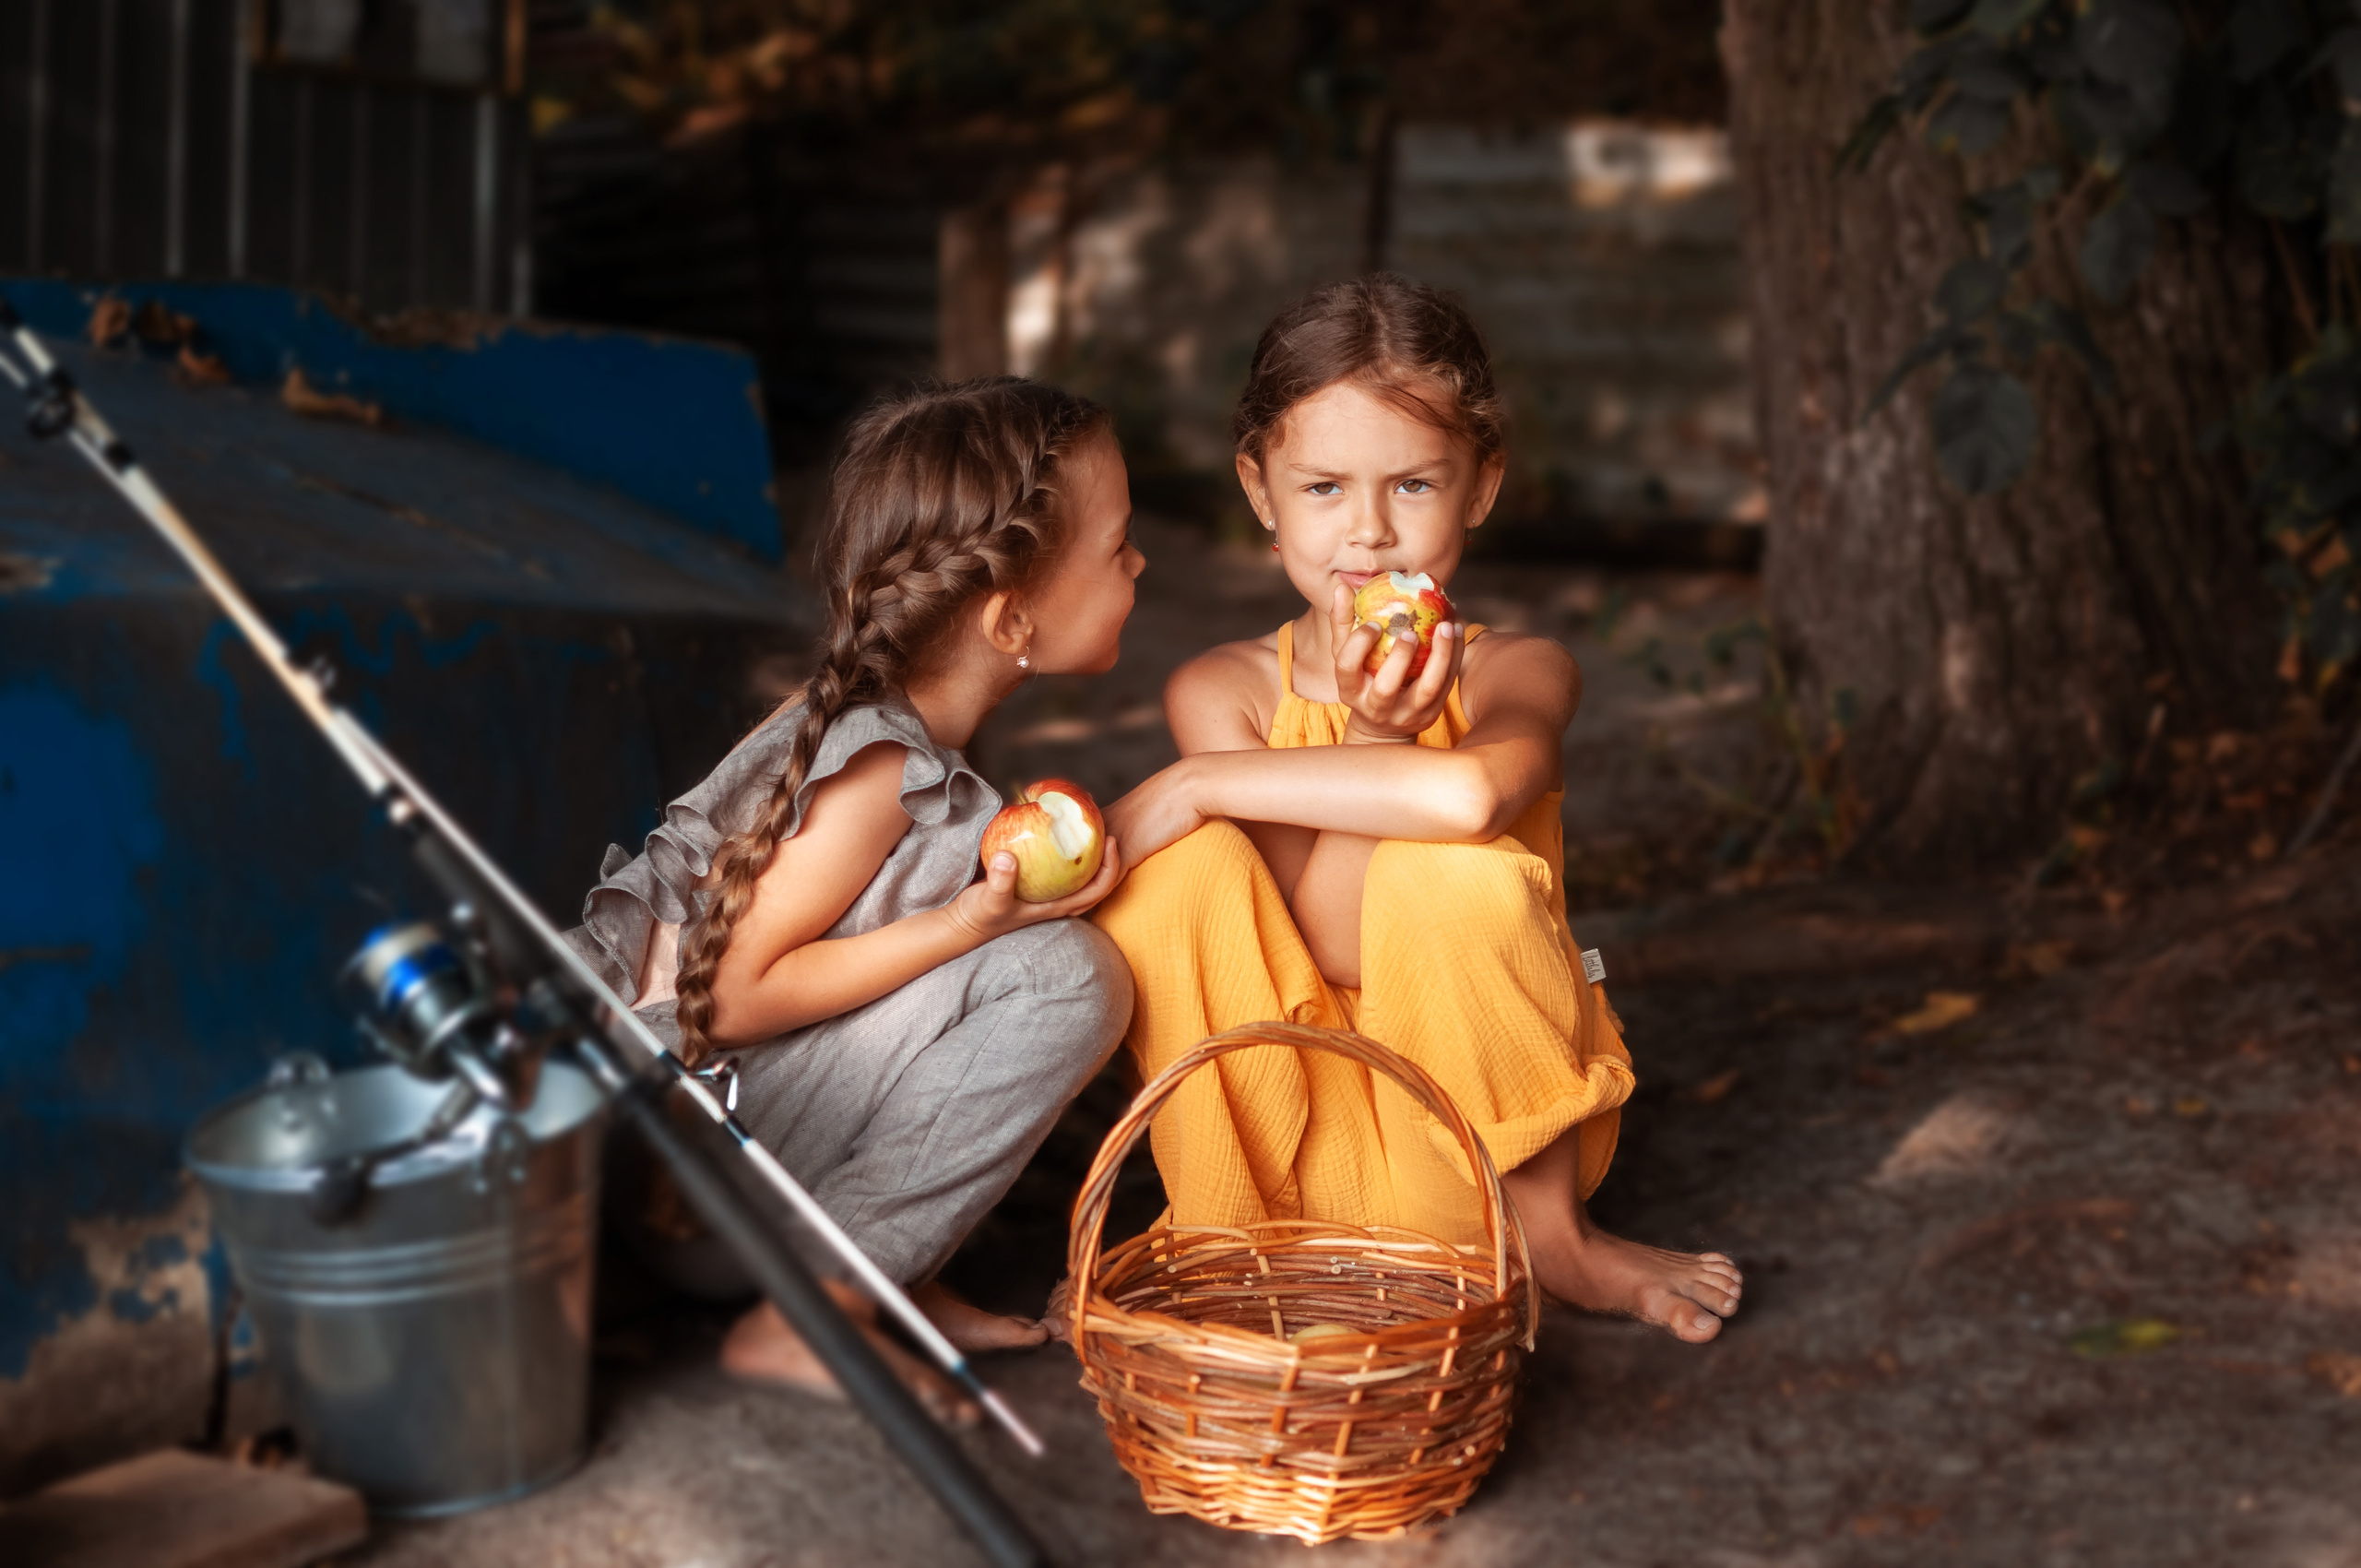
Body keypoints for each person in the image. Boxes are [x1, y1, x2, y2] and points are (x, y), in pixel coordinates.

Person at [1091, 276, 1742, 1342]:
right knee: (1177, 879)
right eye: (1322, 487)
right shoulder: (1225, 690)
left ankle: (1555, 1242)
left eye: (1412, 484)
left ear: (1480, 486)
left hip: (1471, 1155)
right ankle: (1230, 1244)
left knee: (1449, 862)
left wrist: (1226, 776)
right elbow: (1321, 945)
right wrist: (1332, 749)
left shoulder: (1514, 669)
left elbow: (1471, 792)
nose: (1369, 533)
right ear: (1259, 490)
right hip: (1292, 1148)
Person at [567, 378, 1143, 1408]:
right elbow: (732, 997)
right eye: (1119, 546)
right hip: (680, 1183)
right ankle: (815, 1308)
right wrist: (965, 921)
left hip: (696, 1152)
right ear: (1011, 618)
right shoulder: (876, 763)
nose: (1139, 563)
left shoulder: (895, 730)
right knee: (1065, 978)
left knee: (1021, 956)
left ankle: (891, 1275)